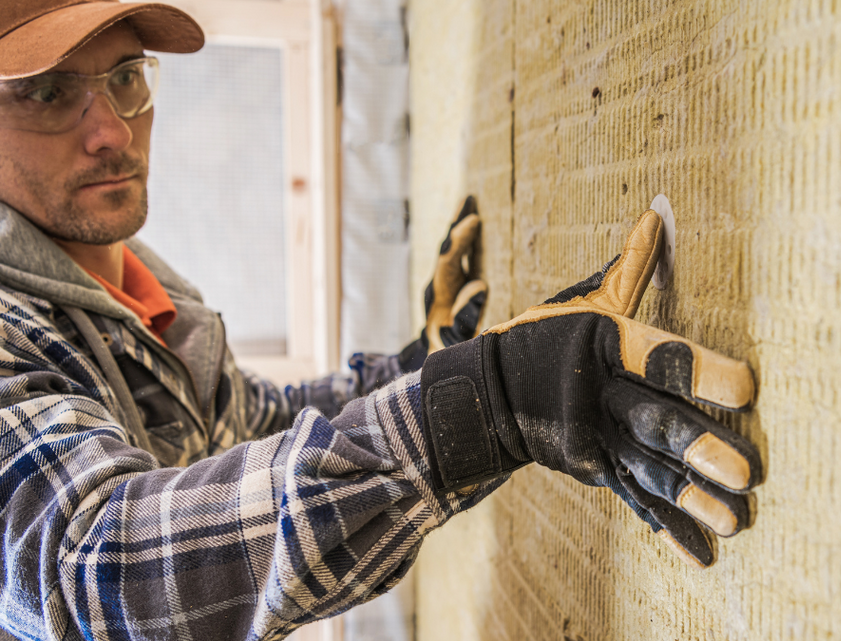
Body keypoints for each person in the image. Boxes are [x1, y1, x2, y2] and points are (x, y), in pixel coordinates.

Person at [0, 1, 763, 640]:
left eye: (127, 76)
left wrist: (437, 360)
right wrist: (481, 405)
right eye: (45, 92)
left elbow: (260, 424)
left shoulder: (146, 304)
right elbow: (94, 572)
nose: (114, 131)